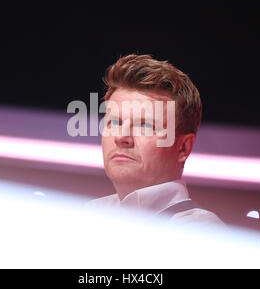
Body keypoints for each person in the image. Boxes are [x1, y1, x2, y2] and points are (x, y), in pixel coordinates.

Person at [86, 54, 225, 229]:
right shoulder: (89, 214)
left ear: (183, 148)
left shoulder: (201, 232)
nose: (121, 137)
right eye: (114, 122)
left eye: (145, 125)